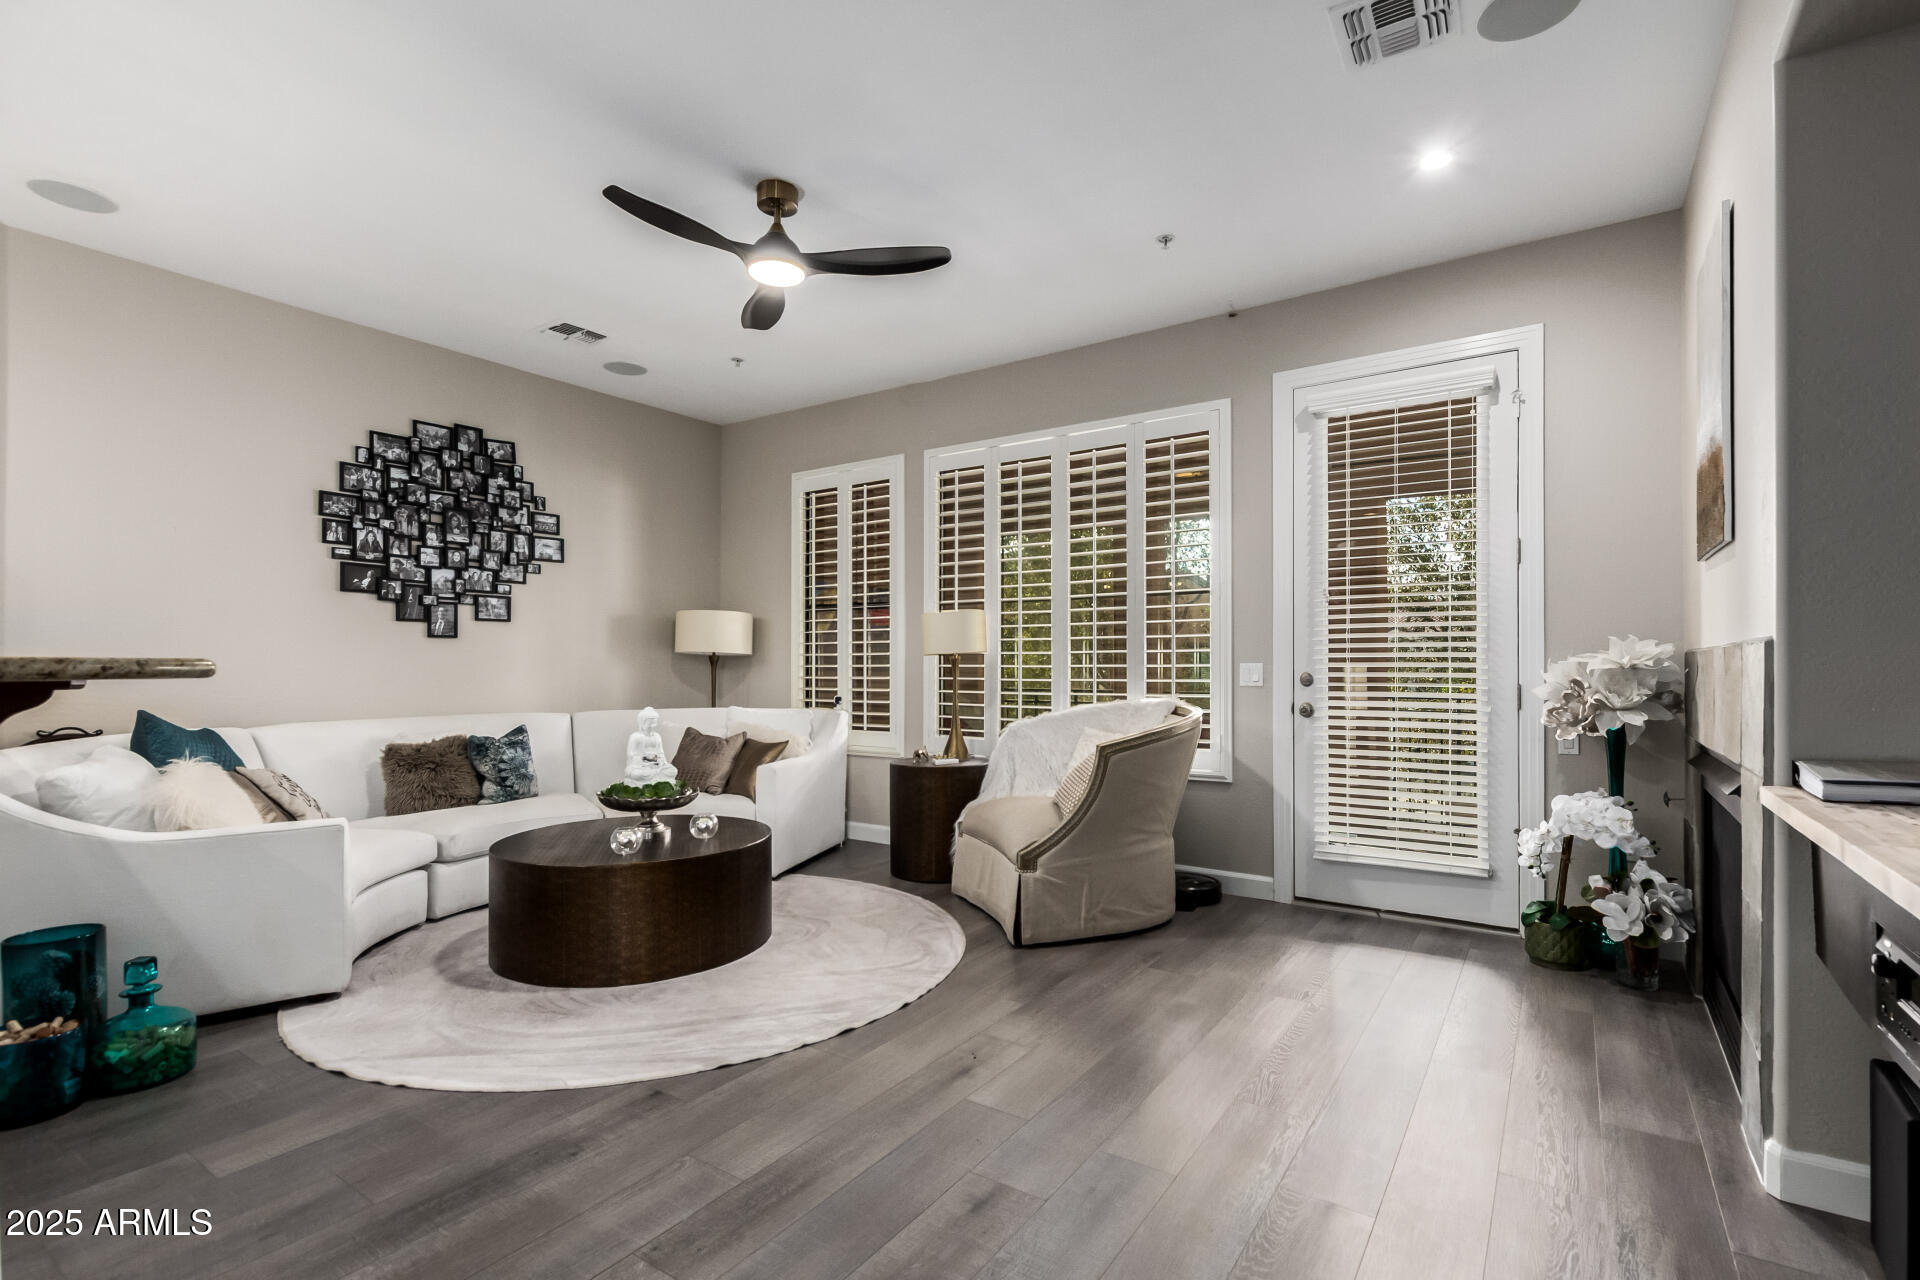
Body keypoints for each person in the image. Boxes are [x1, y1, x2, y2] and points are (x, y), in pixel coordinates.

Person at [624, 707, 678, 787]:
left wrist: (661, 762)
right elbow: (631, 756)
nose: (652, 726)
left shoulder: (657, 736)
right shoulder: (635, 737)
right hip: (641, 767)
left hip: (656, 765)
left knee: (672, 771)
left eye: (654, 724)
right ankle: (654, 780)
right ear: (643, 723)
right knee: (637, 774)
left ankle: (655, 780)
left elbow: (661, 753)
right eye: (650, 724)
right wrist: (645, 759)